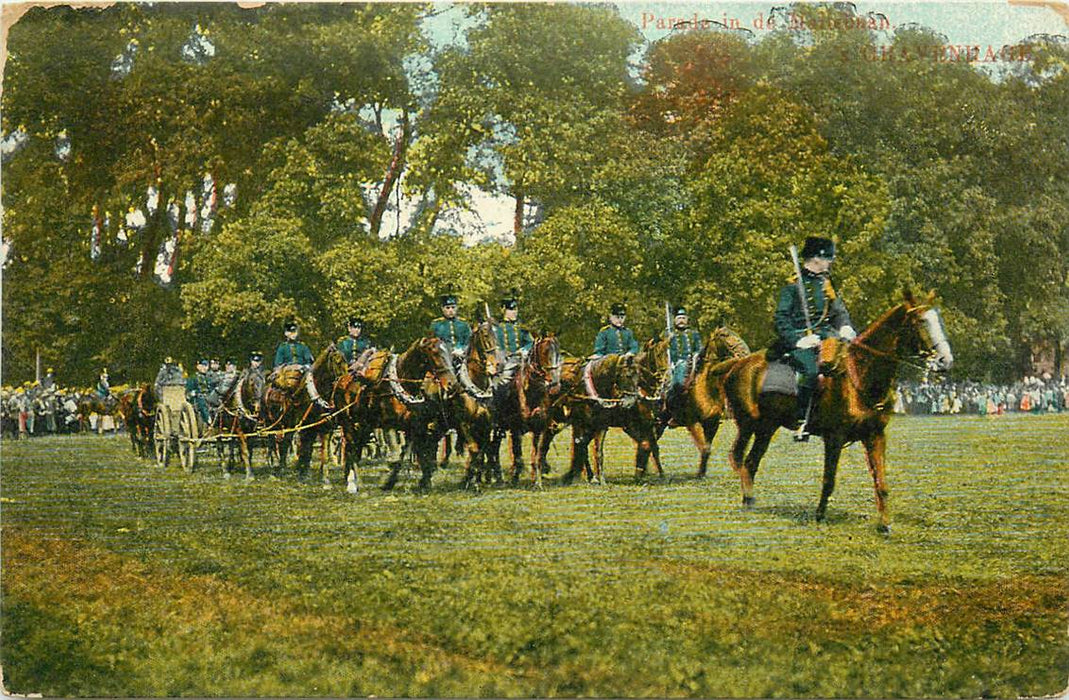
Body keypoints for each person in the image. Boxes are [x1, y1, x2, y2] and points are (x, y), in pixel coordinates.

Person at [773, 236, 856, 441]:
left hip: (827, 336)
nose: (830, 263)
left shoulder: (825, 284)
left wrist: (845, 326)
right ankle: (802, 421)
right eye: (828, 259)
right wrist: (796, 340)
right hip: (802, 338)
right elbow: (780, 318)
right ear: (816, 259)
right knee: (810, 371)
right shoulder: (792, 285)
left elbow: (838, 311)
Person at [272, 321, 328, 409]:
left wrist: (305, 366)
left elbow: (309, 361)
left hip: (302, 371)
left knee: (310, 377)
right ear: (286, 333)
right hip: (287, 372)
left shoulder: (303, 347)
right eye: (291, 332)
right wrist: (286, 368)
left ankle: (316, 399)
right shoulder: (282, 347)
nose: (293, 334)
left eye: (295, 332)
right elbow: (278, 363)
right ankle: (280, 404)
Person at [664, 306, 703, 421]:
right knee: (678, 383)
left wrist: (696, 354)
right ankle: (676, 412)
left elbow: (699, 348)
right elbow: (663, 349)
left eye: (683, 317)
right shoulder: (670, 334)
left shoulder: (694, 334)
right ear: (675, 320)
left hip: (693, 363)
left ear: (687, 319)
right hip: (676, 364)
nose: (681, 320)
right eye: (679, 318)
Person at [430, 293, 472, 360]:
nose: (450, 310)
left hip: (461, 355)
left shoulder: (464, 324)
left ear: (457, 308)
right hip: (443, 358)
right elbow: (432, 342)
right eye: (447, 308)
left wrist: (462, 350)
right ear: (442, 309)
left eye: (453, 307)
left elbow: (468, 341)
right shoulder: (436, 324)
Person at [186, 358, 213, 425]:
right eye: (202, 366)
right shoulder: (193, 377)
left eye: (206, 366)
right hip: (197, 400)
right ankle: (208, 420)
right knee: (202, 403)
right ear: (198, 366)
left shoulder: (209, 377)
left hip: (210, 398)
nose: (205, 368)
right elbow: (188, 393)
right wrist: (193, 393)